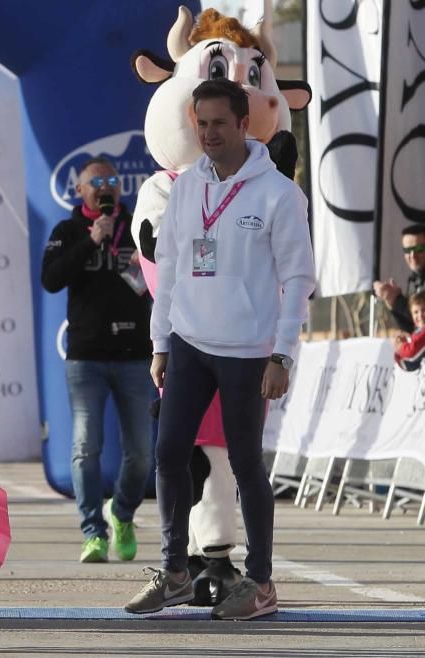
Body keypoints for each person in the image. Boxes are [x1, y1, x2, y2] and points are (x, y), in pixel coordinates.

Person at [124, 79, 315, 621]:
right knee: (167, 454)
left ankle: (258, 582)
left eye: (218, 124)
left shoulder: (278, 193)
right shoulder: (185, 189)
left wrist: (282, 354)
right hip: (188, 342)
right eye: (200, 123)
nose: (208, 134)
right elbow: (173, 269)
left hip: (249, 348)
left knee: (245, 462)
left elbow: (299, 277)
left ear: (243, 125)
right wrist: (161, 343)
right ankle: (176, 573)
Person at [41, 157, 155, 564]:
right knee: (85, 447)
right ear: (81, 191)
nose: (105, 188)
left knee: (142, 451)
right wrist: (91, 240)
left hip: (136, 355)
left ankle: (122, 514)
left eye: (111, 181)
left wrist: (150, 264)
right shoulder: (68, 230)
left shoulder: (141, 225)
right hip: (86, 357)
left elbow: (168, 273)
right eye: (96, 182)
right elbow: (51, 279)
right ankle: (93, 531)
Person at [374, 226, 425, 333]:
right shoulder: (414, 280)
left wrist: (396, 301)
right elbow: (413, 326)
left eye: (419, 249)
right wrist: (390, 301)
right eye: (407, 250)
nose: (413, 255)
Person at [394, 293, 425, 372]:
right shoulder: (418, 331)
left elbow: (411, 353)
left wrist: (400, 347)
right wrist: (405, 342)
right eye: (416, 312)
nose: (420, 315)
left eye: (424, 310)